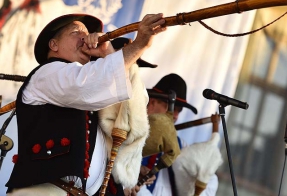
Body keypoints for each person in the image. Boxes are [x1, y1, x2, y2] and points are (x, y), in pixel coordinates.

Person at [5, 12, 166, 196]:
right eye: (76, 32)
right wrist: (138, 44)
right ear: (53, 44)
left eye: (87, 33)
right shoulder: (47, 74)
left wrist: (107, 53)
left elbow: (132, 115)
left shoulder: (93, 84)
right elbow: (86, 84)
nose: (85, 38)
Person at [136, 73, 220, 196]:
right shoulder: (130, 134)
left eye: (178, 111)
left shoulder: (180, 146)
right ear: (152, 103)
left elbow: (210, 181)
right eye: (170, 108)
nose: (175, 116)